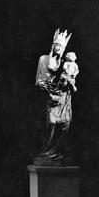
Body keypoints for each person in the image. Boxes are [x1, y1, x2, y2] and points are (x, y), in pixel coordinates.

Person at [34, 28, 75, 162]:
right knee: (51, 122)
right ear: (53, 45)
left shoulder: (65, 63)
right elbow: (39, 80)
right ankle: (47, 150)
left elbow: (71, 76)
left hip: (64, 97)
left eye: (61, 46)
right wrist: (46, 88)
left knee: (65, 124)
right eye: (57, 45)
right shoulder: (43, 59)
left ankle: (59, 152)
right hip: (49, 97)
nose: (59, 48)